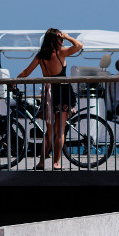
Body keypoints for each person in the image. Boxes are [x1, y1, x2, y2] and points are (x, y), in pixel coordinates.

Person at [15, 28, 83, 170]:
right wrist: (69, 37)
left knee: (49, 131)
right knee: (60, 131)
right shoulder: (60, 52)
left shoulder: (41, 55)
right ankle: (56, 163)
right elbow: (79, 46)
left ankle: (41, 163)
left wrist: (14, 81)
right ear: (54, 40)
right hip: (62, 91)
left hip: (48, 92)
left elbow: (27, 72)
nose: (62, 40)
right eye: (60, 38)